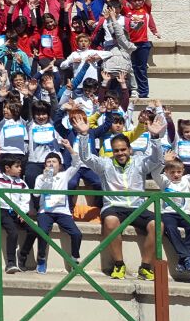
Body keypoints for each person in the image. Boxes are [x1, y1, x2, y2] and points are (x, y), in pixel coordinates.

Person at [68, 112, 166, 281]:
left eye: (123, 150)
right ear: (112, 152)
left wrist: (155, 137)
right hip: (113, 206)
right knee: (111, 221)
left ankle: (145, 267)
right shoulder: (104, 164)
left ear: (129, 149)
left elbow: (157, 159)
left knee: (157, 224)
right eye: (116, 151)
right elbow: (86, 157)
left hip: (137, 206)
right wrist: (84, 135)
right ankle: (119, 264)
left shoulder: (139, 161)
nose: (120, 153)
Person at [19, 152, 82, 274]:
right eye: (48, 162)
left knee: (77, 234)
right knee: (42, 232)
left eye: (54, 162)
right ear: (44, 165)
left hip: (63, 212)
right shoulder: (40, 177)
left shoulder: (65, 175)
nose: (51, 164)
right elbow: (36, 194)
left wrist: (69, 148)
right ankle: (41, 259)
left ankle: (74, 259)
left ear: (60, 165)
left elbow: (77, 163)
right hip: (45, 211)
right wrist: (46, 178)